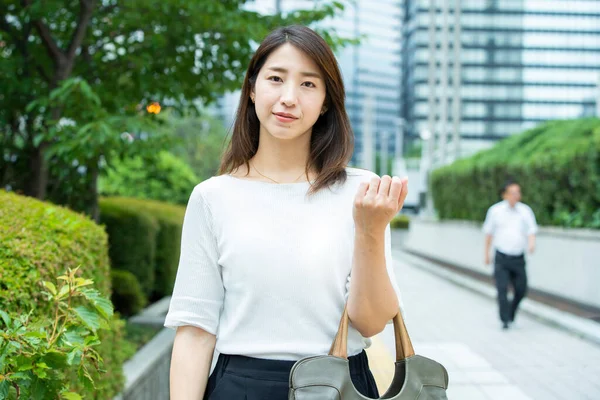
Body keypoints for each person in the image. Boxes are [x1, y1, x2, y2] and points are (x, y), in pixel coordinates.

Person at [164, 25, 409, 399]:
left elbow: (372, 322)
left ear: (326, 100)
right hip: (241, 386)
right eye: (276, 78)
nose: (289, 97)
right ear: (252, 88)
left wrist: (371, 230)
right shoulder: (213, 197)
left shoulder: (360, 192)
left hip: (340, 384)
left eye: (309, 84)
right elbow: (196, 332)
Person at [483, 180, 538, 330]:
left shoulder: (525, 211)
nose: (516, 195)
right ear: (504, 194)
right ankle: (505, 319)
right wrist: (487, 254)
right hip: (501, 257)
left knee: (521, 289)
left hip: (518, 258)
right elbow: (488, 234)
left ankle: (511, 312)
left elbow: (531, 230)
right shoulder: (495, 211)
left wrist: (531, 243)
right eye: (512, 192)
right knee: (502, 290)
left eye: (518, 192)